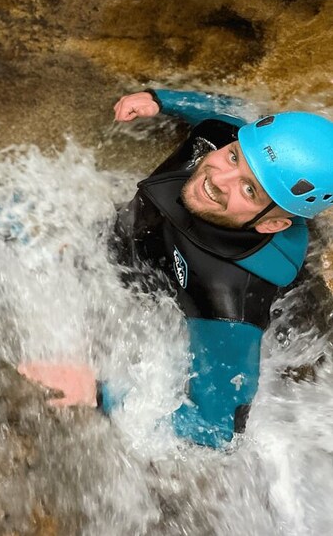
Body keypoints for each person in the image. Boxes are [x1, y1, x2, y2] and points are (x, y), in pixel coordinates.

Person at [19, 88, 333, 448]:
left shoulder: (231, 303)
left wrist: (97, 392)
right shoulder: (216, 138)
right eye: (234, 158)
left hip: (171, 297)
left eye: (249, 190)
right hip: (128, 253)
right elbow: (224, 110)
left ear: (272, 225)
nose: (217, 179)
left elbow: (217, 429)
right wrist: (160, 100)